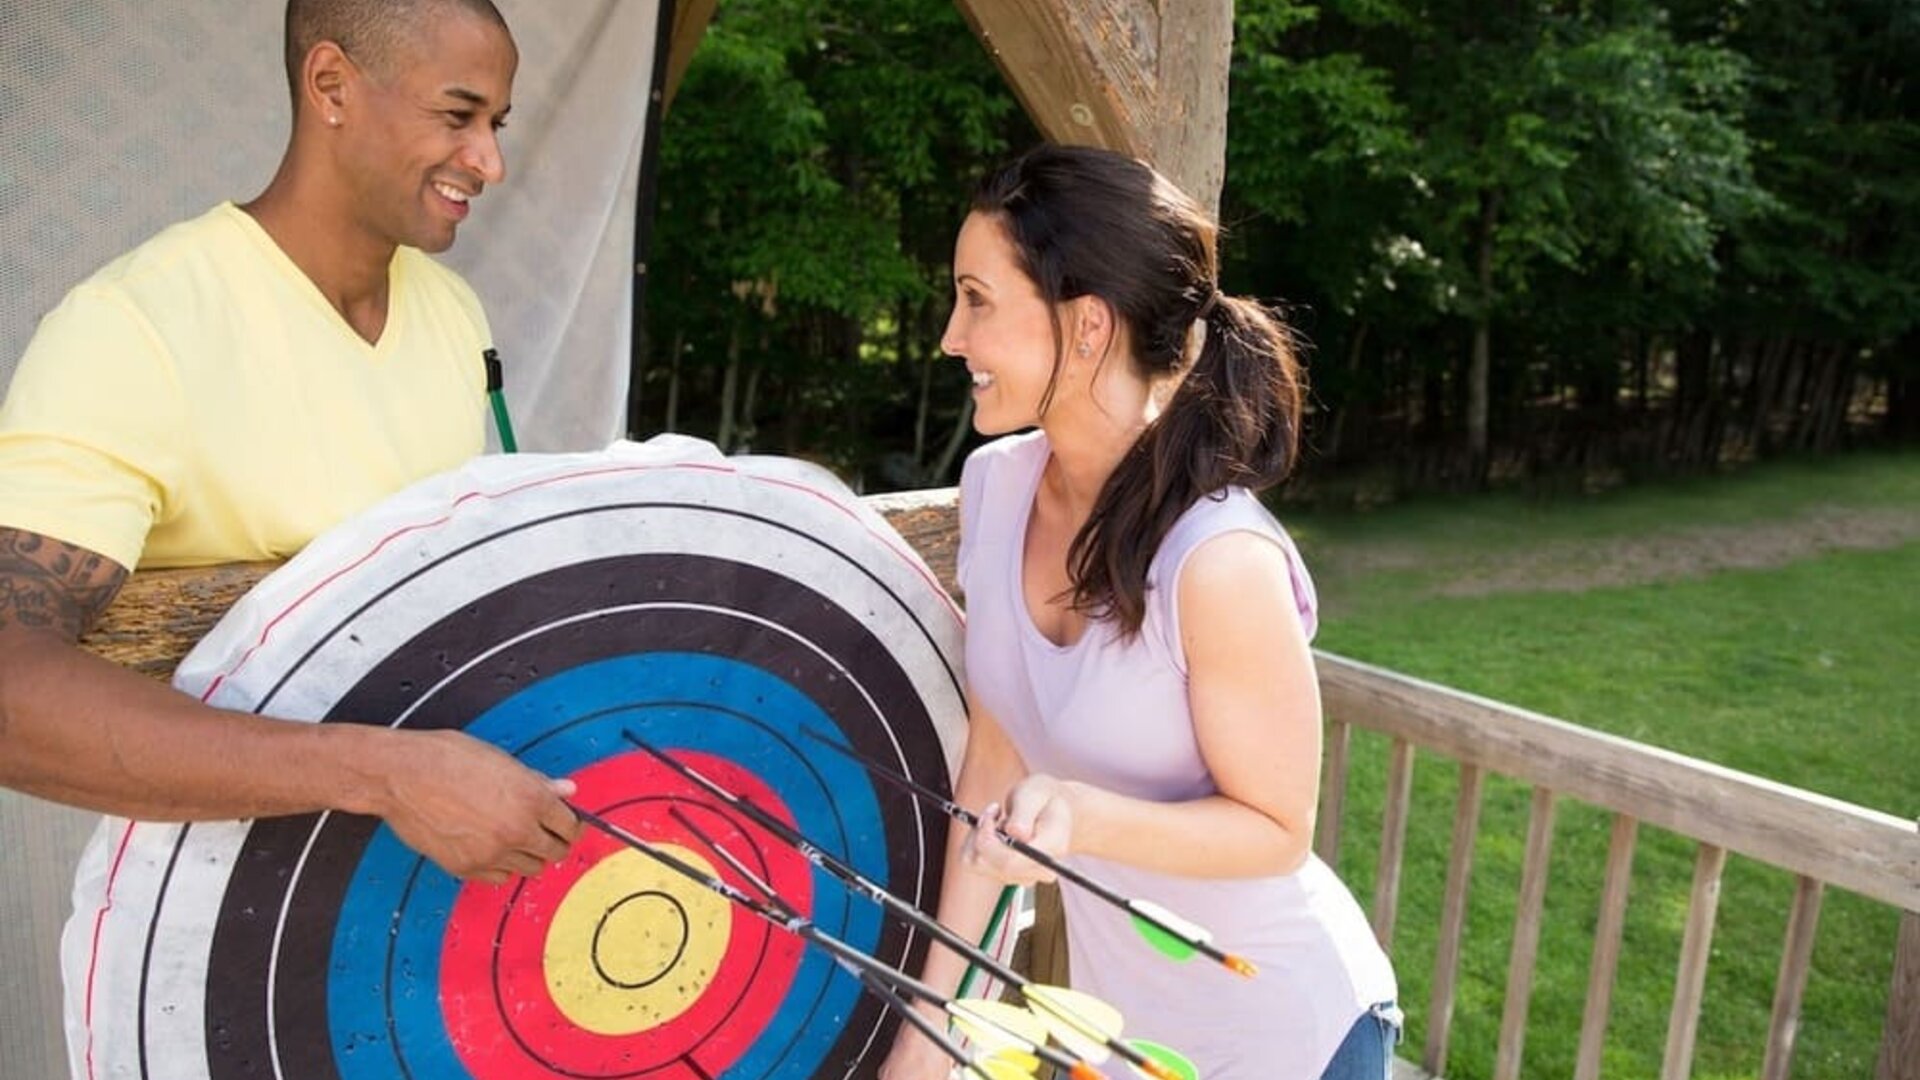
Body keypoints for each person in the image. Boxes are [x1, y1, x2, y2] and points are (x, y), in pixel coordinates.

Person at [0, 0, 577, 886]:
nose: (490, 162)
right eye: (456, 116)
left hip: (445, 918)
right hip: (223, 958)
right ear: (331, 86)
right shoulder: (136, 327)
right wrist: (385, 776)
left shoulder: (454, 314)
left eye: (496, 125)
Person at [878, 145, 1400, 1080]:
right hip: (1130, 1045)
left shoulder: (1218, 561)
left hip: (1291, 1033)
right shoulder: (994, 490)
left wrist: (1083, 814)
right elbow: (987, 774)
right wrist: (931, 1033)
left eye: (978, 299)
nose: (951, 336)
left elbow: (1278, 829)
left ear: (1085, 328)